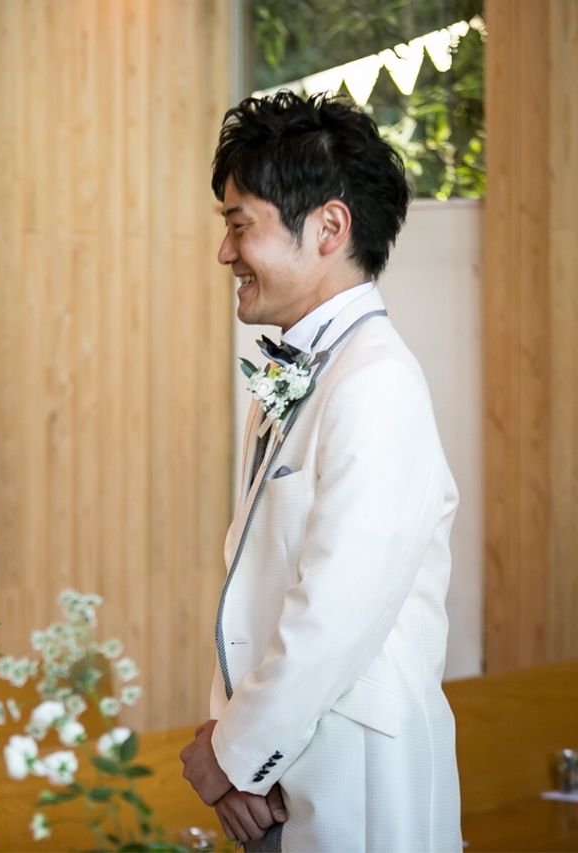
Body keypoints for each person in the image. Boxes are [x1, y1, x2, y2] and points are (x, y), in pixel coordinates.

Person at [178, 92, 461, 851]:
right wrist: (235, 745)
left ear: (330, 228)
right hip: (282, 776)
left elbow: (334, 612)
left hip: (354, 783)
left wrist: (231, 756)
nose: (225, 252)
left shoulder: (378, 384)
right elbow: (256, 587)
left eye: (241, 225)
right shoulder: (307, 373)